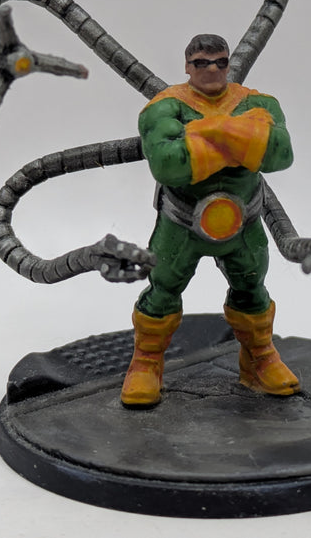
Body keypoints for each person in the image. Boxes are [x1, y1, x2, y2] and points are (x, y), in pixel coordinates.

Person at [121, 34, 298, 407]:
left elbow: (280, 154)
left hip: (243, 223)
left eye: (220, 62)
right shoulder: (164, 108)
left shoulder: (260, 101)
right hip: (181, 224)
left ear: (229, 64)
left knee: (252, 288)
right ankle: (146, 362)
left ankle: (260, 358)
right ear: (188, 67)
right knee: (163, 289)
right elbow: (169, 165)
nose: (212, 70)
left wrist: (208, 131)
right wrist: (246, 136)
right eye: (202, 63)